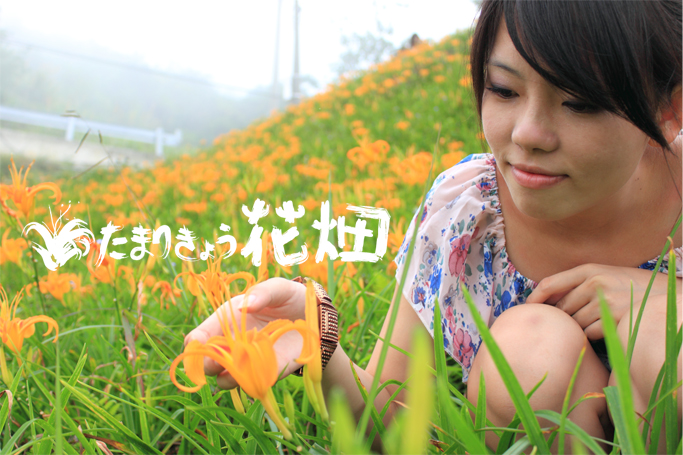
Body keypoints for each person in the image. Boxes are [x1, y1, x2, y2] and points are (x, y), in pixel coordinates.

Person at [185, 0, 682, 452]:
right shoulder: (466, 212)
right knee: (527, 352)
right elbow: (391, 421)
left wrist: (665, 297)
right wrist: (315, 340)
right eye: (504, 90)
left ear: (670, 111)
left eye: (580, 102)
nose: (528, 133)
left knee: (667, 338)